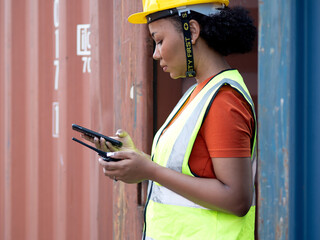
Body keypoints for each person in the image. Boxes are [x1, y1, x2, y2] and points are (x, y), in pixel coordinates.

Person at [82, 0, 257, 239]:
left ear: (192, 31)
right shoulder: (198, 93)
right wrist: (138, 161)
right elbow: (190, 170)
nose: (155, 54)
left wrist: (150, 171)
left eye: (160, 40)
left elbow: (237, 198)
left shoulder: (223, 100)